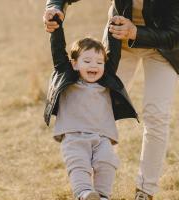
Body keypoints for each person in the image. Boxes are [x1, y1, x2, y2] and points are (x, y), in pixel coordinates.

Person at [43, 1, 179, 199]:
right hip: (118, 43)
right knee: (96, 103)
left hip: (162, 47)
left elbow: (176, 34)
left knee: (156, 114)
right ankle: (88, 187)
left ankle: (145, 191)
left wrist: (135, 32)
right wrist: (54, 6)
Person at [44, 16, 138, 200]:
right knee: (78, 164)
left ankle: (102, 196)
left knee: (107, 162)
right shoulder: (68, 78)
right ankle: (84, 193)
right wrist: (56, 25)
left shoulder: (106, 79)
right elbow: (57, 50)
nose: (94, 65)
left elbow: (114, 51)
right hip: (73, 135)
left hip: (102, 136)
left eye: (99, 62)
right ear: (74, 64)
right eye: (87, 61)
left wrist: (116, 25)